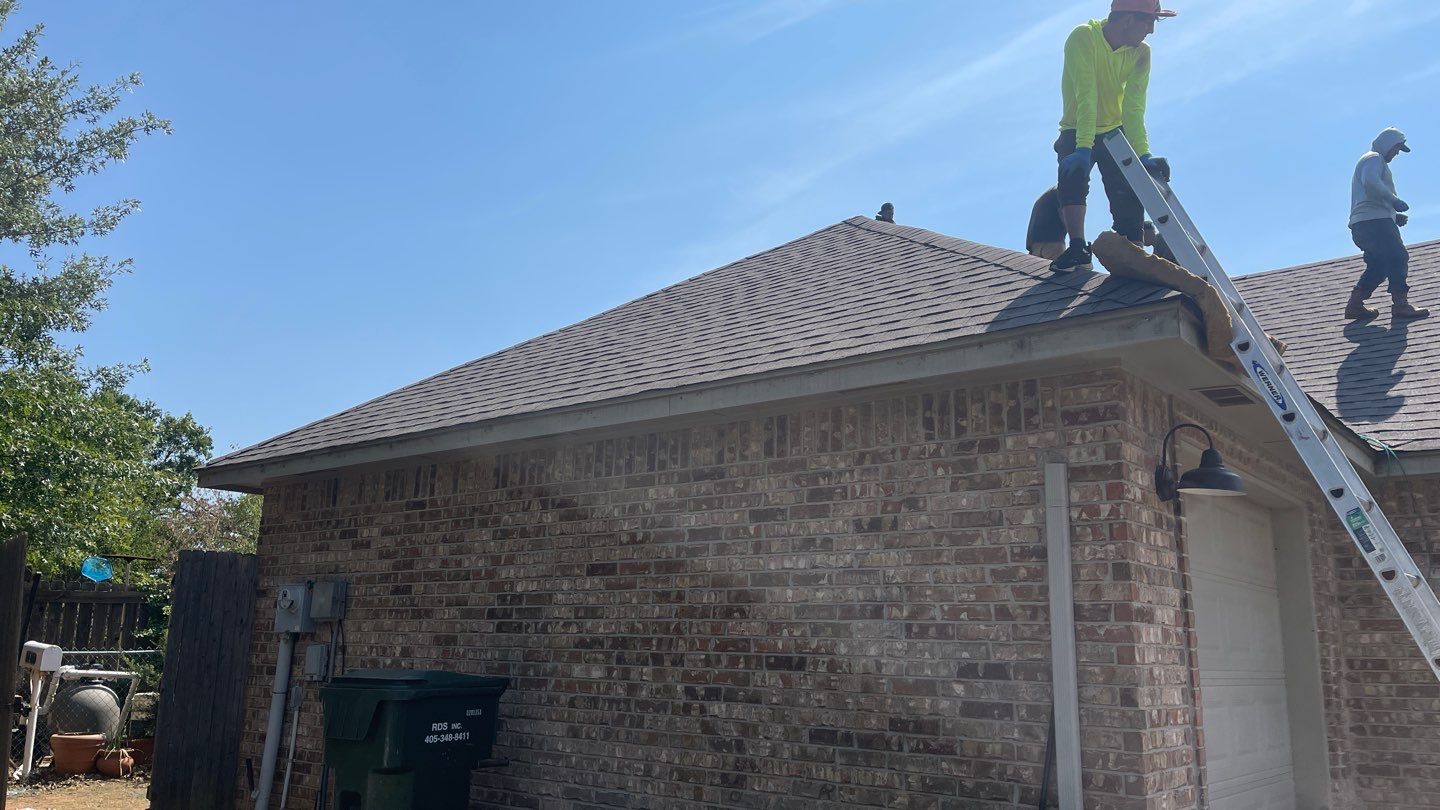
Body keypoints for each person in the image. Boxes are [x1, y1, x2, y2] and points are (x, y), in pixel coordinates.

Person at [1050, 0, 1176, 273]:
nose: (1151, 31)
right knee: (1072, 179)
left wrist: (1143, 154)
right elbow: (1086, 94)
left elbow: (1134, 107)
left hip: (1114, 130)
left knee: (1128, 189)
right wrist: (1083, 148)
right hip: (1076, 127)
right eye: (1149, 22)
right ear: (1129, 19)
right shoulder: (1083, 37)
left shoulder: (1142, 53)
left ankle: (1133, 249)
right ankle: (1078, 247)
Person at [1346, 127, 1428, 320]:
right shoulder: (1374, 158)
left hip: (1362, 224)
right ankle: (1401, 305)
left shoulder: (1370, 160)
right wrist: (1393, 201)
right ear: (1387, 144)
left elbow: (1369, 196)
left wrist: (1391, 215)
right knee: (1398, 256)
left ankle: (1354, 305)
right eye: (1396, 148)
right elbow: (1371, 183)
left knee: (1379, 265)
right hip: (1375, 222)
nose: (1397, 153)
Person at [1028, 185, 1175, 264]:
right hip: (1053, 242)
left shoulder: (1047, 196)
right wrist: (1078, 243)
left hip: (1035, 243)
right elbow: (1064, 213)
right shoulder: (1064, 191)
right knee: (1064, 279)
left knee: (1041, 278)